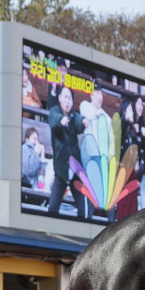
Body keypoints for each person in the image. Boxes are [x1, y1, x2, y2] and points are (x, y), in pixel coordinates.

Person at [46, 86, 87, 218]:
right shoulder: (55, 111)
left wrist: (84, 121)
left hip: (75, 168)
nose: (68, 101)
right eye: (65, 97)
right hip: (61, 168)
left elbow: (79, 121)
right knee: (53, 207)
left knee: (82, 210)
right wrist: (60, 121)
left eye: (70, 98)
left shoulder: (73, 115)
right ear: (59, 98)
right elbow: (54, 120)